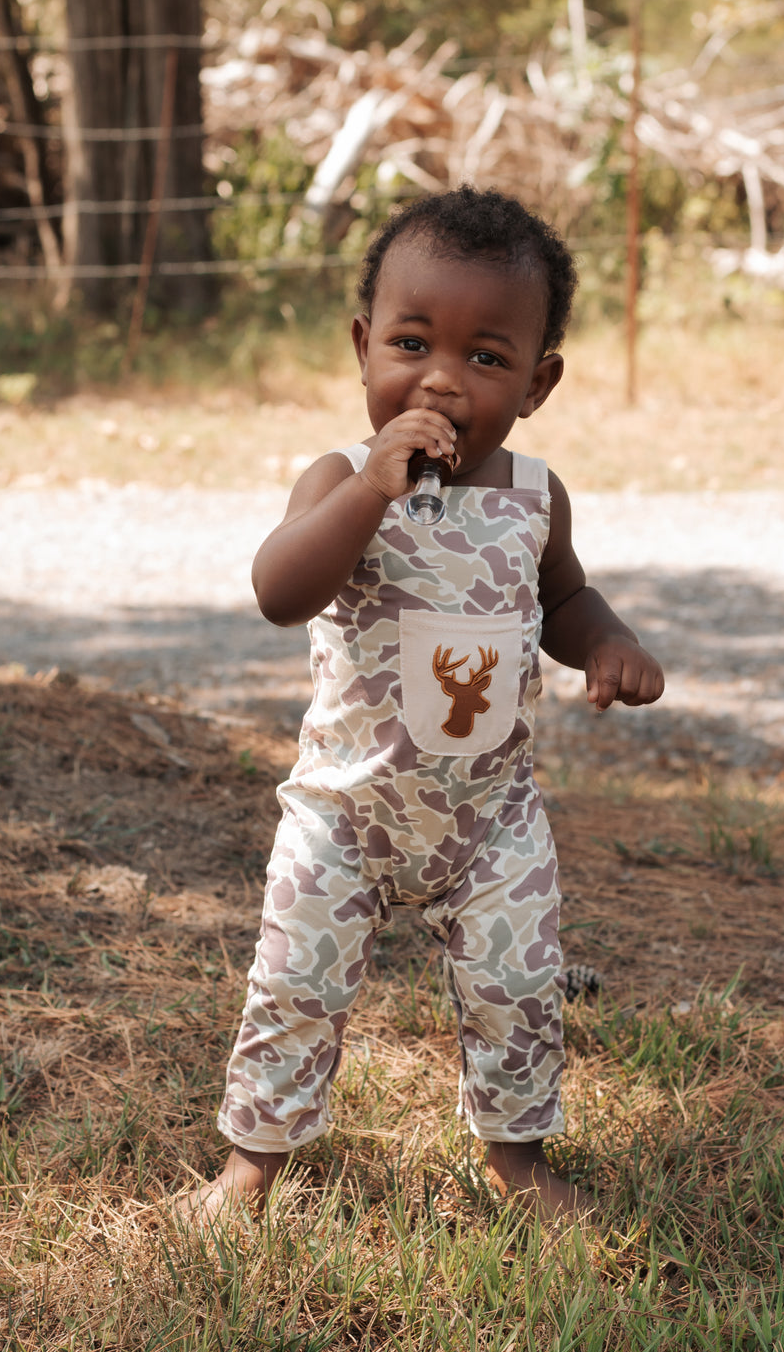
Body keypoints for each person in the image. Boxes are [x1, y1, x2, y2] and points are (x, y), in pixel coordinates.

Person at [180, 185, 664, 1233]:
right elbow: (278, 591)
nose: (441, 379)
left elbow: (562, 598)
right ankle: (251, 1163)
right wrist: (368, 495)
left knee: (518, 990)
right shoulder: (341, 478)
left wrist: (608, 644)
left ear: (538, 383)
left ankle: (515, 1156)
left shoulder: (536, 495)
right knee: (293, 988)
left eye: (486, 359)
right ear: (363, 347)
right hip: (342, 816)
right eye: (411, 343)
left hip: (488, 821)